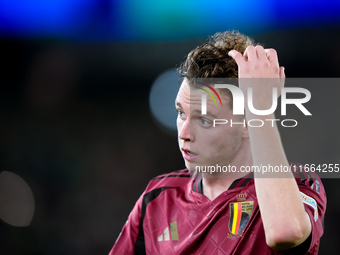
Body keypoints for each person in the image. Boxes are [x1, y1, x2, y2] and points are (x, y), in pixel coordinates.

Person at [109, 31, 326, 254]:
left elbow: (285, 233)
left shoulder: (298, 183)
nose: (184, 133)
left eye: (204, 120)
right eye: (181, 113)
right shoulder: (158, 199)